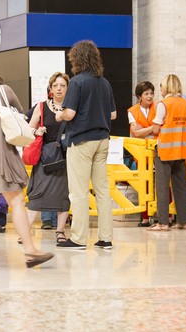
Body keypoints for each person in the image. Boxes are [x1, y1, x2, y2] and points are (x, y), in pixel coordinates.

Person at [0, 61, 54, 268]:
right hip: (1, 155)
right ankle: (30, 250)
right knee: (16, 201)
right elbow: (20, 112)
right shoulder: (2, 91)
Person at [55, 40, 117, 250]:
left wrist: (59, 115)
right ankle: (106, 238)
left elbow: (70, 113)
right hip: (102, 140)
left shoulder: (77, 82)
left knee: (79, 192)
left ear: (77, 59)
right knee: (102, 190)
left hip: (81, 141)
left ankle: (79, 238)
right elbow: (113, 114)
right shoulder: (104, 83)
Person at [26, 72, 71, 243]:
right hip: (45, 156)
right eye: (56, 85)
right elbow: (29, 127)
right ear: (51, 88)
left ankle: (60, 231)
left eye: (63, 85)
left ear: (68, 88)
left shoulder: (72, 108)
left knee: (63, 195)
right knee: (37, 193)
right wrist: (37, 131)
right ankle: (26, 231)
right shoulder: (41, 106)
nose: (59, 88)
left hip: (66, 157)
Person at [148, 74, 186, 232]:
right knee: (181, 187)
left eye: (161, 87)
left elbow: (156, 128)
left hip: (165, 150)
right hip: (182, 149)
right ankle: (184, 221)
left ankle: (163, 222)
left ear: (166, 87)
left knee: (162, 187)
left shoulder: (163, 104)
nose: (160, 90)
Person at [128, 81, 156, 227]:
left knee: (163, 183)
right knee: (144, 184)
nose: (150, 96)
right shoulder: (132, 111)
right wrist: (152, 127)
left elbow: (160, 129)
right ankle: (145, 217)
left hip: (157, 150)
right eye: (146, 93)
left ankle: (167, 216)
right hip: (140, 152)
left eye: (151, 93)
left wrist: (144, 129)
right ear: (139, 96)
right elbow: (134, 132)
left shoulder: (158, 107)